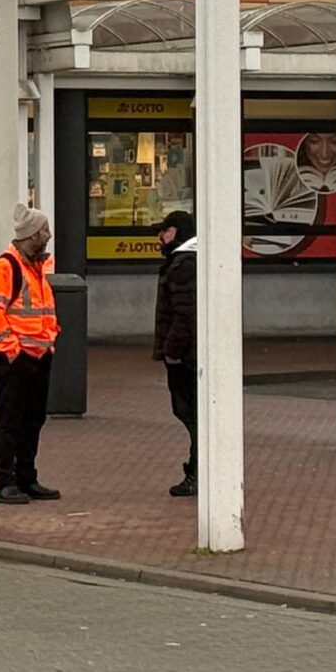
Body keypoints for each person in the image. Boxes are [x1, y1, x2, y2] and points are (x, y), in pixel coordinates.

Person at [0, 204, 61, 505]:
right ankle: (5, 482)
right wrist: (13, 351)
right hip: (17, 358)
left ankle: (26, 477)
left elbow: (45, 312)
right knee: (10, 420)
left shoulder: (36, 268)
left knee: (32, 420)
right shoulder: (5, 268)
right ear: (32, 235)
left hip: (37, 356)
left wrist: (48, 343)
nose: (48, 235)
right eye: (44, 230)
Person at [152, 209, 199, 498]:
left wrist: (172, 351)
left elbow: (185, 313)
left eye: (165, 230)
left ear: (177, 232)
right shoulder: (186, 261)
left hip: (185, 357)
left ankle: (197, 473)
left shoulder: (183, 264)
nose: (161, 236)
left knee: (192, 413)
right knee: (190, 414)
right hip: (188, 353)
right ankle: (197, 470)